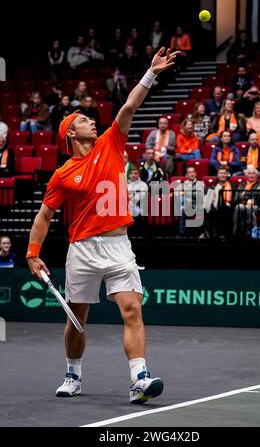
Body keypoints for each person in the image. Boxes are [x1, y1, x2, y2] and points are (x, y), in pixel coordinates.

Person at [26, 47, 179, 403]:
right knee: (77, 318)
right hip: (82, 248)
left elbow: (128, 107)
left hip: (118, 245)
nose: (91, 121)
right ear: (70, 134)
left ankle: (139, 378)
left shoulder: (111, 142)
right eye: (83, 120)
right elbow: (44, 216)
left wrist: (151, 73)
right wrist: (33, 253)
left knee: (132, 308)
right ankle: (73, 375)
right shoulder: (62, 175)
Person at [233, 166, 260, 237]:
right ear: (246, 175)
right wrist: (251, 194)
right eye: (249, 173)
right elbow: (237, 197)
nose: (252, 175)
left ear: (257, 175)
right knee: (238, 207)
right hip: (243, 205)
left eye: (253, 173)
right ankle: (235, 232)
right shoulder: (242, 185)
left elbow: (258, 194)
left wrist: (244, 193)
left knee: (248, 207)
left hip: (257, 206)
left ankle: (253, 231)